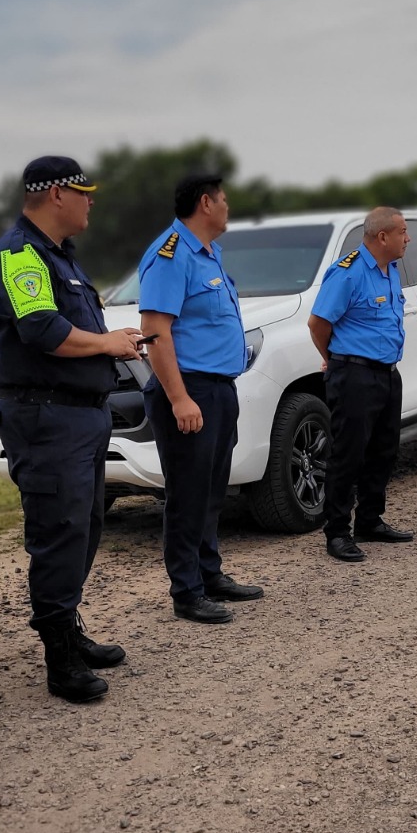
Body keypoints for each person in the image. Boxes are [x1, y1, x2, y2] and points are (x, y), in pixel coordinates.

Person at [0, 155, 143, 702]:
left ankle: (67, 628)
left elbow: (68, 327)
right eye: (85, 192)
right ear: (56, 196)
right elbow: (43, 330)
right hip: (47, 419)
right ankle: (60, 662)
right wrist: (108, 343)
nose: (91, 202)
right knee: (59, 534)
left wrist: (111, 339)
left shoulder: (59, 258)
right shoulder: (20, 256)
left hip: (79, 416)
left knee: (84, 529)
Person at [138, 174, 264, 621]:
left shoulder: (208, 254)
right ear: (206, 204)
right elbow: (155, 333)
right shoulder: (171, 255)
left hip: (218, 390)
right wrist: (178, 398)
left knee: (212, 491)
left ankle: (210, 575)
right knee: (188, 494)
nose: (229, 207)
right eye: (225, 200)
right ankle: (186, 592)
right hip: (188, 391)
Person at [308, 207, 413, 563]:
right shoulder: (348, 273)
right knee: (348, 454)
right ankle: (337, 532)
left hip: (387, 373)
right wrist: (335, 358)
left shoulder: (390, 270)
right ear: (382, 237)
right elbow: (318, 323)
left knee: (384, 450)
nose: (407, 239)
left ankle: (370, 519)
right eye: (402, 232)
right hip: (354, 374)